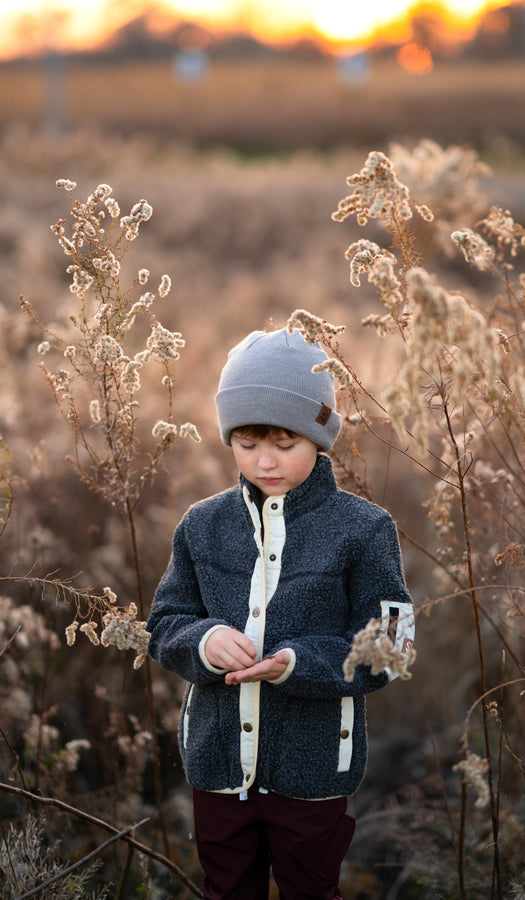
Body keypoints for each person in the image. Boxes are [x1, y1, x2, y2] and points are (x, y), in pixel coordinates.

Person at [147, 327, 415, 900]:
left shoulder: (363, 528)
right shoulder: (202, 525)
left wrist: (297, 662)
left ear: (319, 436)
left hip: (313, 772)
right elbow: (165, 623)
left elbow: (392, 645)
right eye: (246, 443)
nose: (264, 461)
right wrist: (204, 640)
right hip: (218, 766)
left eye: (285, 443)